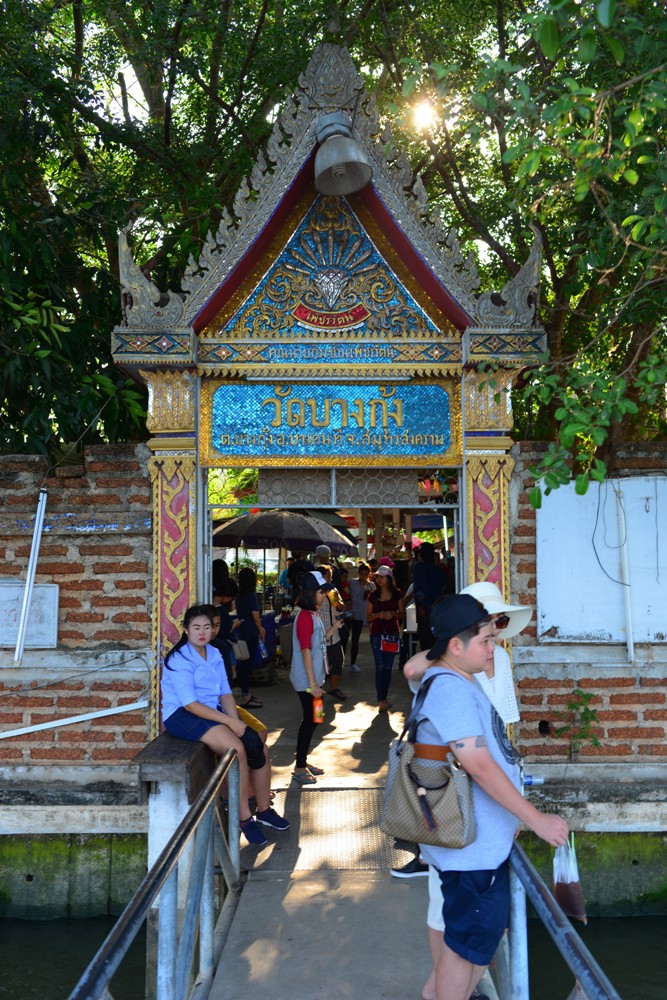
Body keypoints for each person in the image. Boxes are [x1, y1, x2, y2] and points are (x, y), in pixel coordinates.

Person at [407, 594, 568, 1000]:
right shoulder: (450, 690)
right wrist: (535, 819)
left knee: (470, 945)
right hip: (471, 853)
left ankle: (434, 994)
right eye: (484, 639)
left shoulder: (460, 680)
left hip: (478, 845)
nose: (492, 646)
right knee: (468, 949)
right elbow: (477, 765)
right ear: (455, 646)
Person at [160, 604, 288, 847]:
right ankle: (244, 819)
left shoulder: (215, 653)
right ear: (186, 630)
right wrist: (230, 723)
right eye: (196, 627)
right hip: (183, 715)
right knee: (236, 750)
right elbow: (190, 705)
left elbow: (225, 694)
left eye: (206, 627)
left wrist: (238, 723)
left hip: (212, 711)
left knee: (256, 746)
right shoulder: (179, 659)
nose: (202, 632)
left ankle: (264, 809)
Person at [290, 571, 330, 784]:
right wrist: (313, 683)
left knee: (315, 718)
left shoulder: (312, 614)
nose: (324, 595)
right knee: (311, 720)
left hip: (314, 679)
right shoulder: (305, 617)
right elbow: (305, 650)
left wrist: (334, 628)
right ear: (310, 593)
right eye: (321, 592)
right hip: (308, 681)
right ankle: (299, 767)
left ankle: (303, 760)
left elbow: (317, 643)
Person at [366, 564, 404, 711]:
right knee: (380, 667)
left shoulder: (397, 594)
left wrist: (393, 614)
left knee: (388, 668)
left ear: (388, 578)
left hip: (391, 635)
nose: (379, 579)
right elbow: (368, 618)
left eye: (382, 577)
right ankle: (381, 699)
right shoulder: (372, 595)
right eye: (377, 576)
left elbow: (402, 613)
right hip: (376, 634)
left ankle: (384, 697)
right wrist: (378, 615)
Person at [235, 567, 265, 709]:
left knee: (243, 665)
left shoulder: (239, 596)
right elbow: (256, 617)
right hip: (251, 632)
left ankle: (245, 693)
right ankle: (246, 696)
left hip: (242, 632)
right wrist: (261, 630)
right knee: (246, 665)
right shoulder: (252, 597)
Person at [412, 541, 450, 651]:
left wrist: (421, 605)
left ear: (419, 555)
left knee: (426, 643)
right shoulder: (440, 570)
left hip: (426, 610)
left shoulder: (418, 567)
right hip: (440, 610)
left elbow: (421, 587)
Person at [318, 564, 347, 701]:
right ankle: (317, 692)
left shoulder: (332, 590)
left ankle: (333, 688)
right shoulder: (315, 591)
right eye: (327, 576)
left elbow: (340, 605)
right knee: (319, 666)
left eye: (330, 576)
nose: (330, 578)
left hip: (334, 631)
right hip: (319, 633)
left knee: (338, 661)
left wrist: (334, 596)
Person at [348, 561, 375, 673]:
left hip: (361, 615)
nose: (363, 577)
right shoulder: (352, 583)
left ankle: (353, 663)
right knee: (344, 638)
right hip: (350, 614)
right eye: (361, 574)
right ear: (358, 574)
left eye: (365, 574)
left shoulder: (371, 585)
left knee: (355, 639)